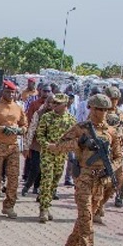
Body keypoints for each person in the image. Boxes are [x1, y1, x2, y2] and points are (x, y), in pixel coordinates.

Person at [48, 93, 115, 246]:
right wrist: (80, 143)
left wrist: (111, 171)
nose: (101, 113)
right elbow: (59, 145)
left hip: (101, 179)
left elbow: (117, 156)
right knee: (86, 217)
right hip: (84, 177)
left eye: (105, 110)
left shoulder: (111, 131)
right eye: (98, 109)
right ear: (90, 108)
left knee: (87, 217)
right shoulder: (81, 128)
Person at [0, 80, 28, 218]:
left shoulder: (18, 108)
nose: (10, 94)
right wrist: (0, 128)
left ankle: (9, 206)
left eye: (12, 92)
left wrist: (18, 130)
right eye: (8, 91)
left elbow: (25, 126)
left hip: (13, 147)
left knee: (13, 178)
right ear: (3, 91)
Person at [34, 93, 76, 223]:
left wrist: (64, 147)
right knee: (47, 179)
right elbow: (39, 135)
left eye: (58, 103)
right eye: (53, 103)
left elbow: (74, 138)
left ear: (65, 105)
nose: (54, 105)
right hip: (47, 153)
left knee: (55, 180)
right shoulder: (47, 117)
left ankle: (48, 204)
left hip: (61, 155)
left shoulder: (70, 120)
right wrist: (48, 145)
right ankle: (43, 209)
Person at [97, 86, 123, 218]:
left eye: (116, 99)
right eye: (112, 98)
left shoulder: (122, 115)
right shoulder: (99, 113)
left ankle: (102, 203)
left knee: (118, 180)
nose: (114, 101)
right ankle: (97, 206)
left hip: (118, 153)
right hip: (103, 153)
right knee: (102, 181)